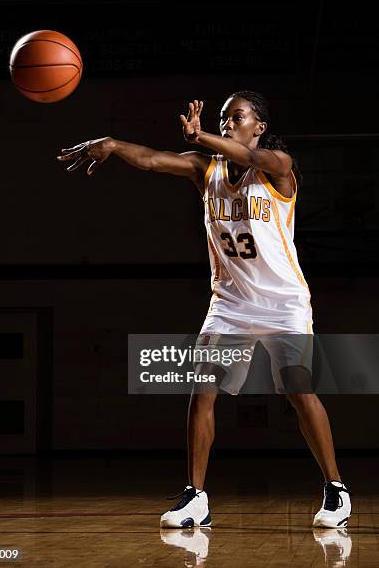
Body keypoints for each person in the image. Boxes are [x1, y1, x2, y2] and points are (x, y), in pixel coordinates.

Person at [57, 90, 351, 529]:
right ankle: (196, 497)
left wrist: (204, 135)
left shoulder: (279, 168)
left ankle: (336, 490)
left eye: (237, 117)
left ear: (260, 127)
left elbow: (251, 157)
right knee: (202, 392)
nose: (229, 123)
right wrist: (115, 145)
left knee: (299, 392)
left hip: (283, 303)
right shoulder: (206, 169)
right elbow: (154, 159)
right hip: (231, 303)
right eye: (223, 118)